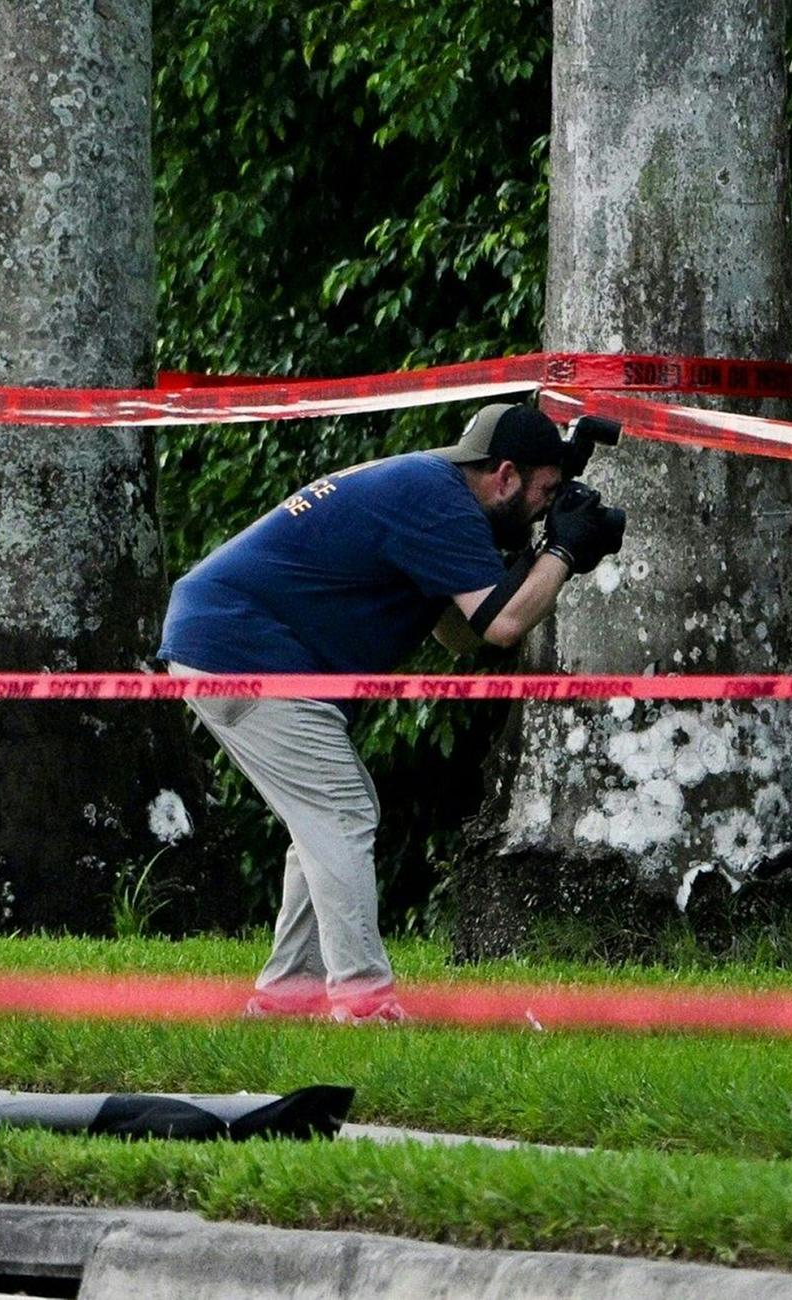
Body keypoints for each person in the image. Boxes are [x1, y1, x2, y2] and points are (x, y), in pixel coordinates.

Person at [157, 403, 627, 1024]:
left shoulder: (432, 493)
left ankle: (288, 997)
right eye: (545, 492)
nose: (546, 508)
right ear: (505, 476)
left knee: (328, 817)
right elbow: (504, 626)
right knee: (342, 812)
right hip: (237, 645)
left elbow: (461, 635)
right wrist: (563, 552)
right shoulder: (441, 503)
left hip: (220, 638)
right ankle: (362, 1004)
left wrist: (542, 561)